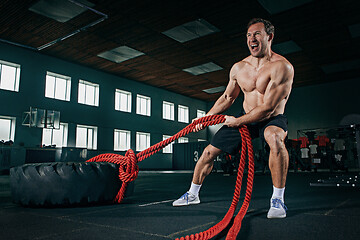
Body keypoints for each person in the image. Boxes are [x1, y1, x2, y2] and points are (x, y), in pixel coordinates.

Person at [172, 18, 294, 219]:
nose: (251, 39)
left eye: (256, 34)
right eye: (248, 35)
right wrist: (206, 118)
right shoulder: (239, 68)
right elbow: (228, 97)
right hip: (245, 116)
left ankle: (278, 199)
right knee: (208, 152)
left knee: (275, 138)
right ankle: (193, 194)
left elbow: (268, 108)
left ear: (269, 37)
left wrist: (237, 121)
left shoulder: (282, 67)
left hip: (271, 117)